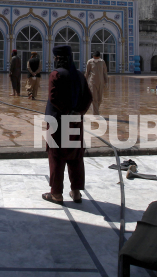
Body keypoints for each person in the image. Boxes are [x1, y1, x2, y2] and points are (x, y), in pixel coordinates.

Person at [43, 44, 92, 204]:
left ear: (58, 59)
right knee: (75, 156)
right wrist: (78, 112)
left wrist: (66, 111)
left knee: (56, 156)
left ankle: (56, 194)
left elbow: (53, 98)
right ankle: (76, 192)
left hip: (57, 122)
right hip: (75, 122)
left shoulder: (56, 74)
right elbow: (88, 98)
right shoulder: (79, 75)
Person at [85, 50, 108, 116]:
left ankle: (95, 111)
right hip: (92, 82)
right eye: (94, 57)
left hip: (101, 82)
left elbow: (105, 72)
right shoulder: (90, 62)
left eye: (97, 58)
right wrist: (85, 82)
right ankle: (96, 114)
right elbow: (87, 72)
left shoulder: (102, 62)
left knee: (99, 99)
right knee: (94, 98)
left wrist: (106, 82)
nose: (96, 59)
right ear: (93, 56)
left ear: (99, 57)